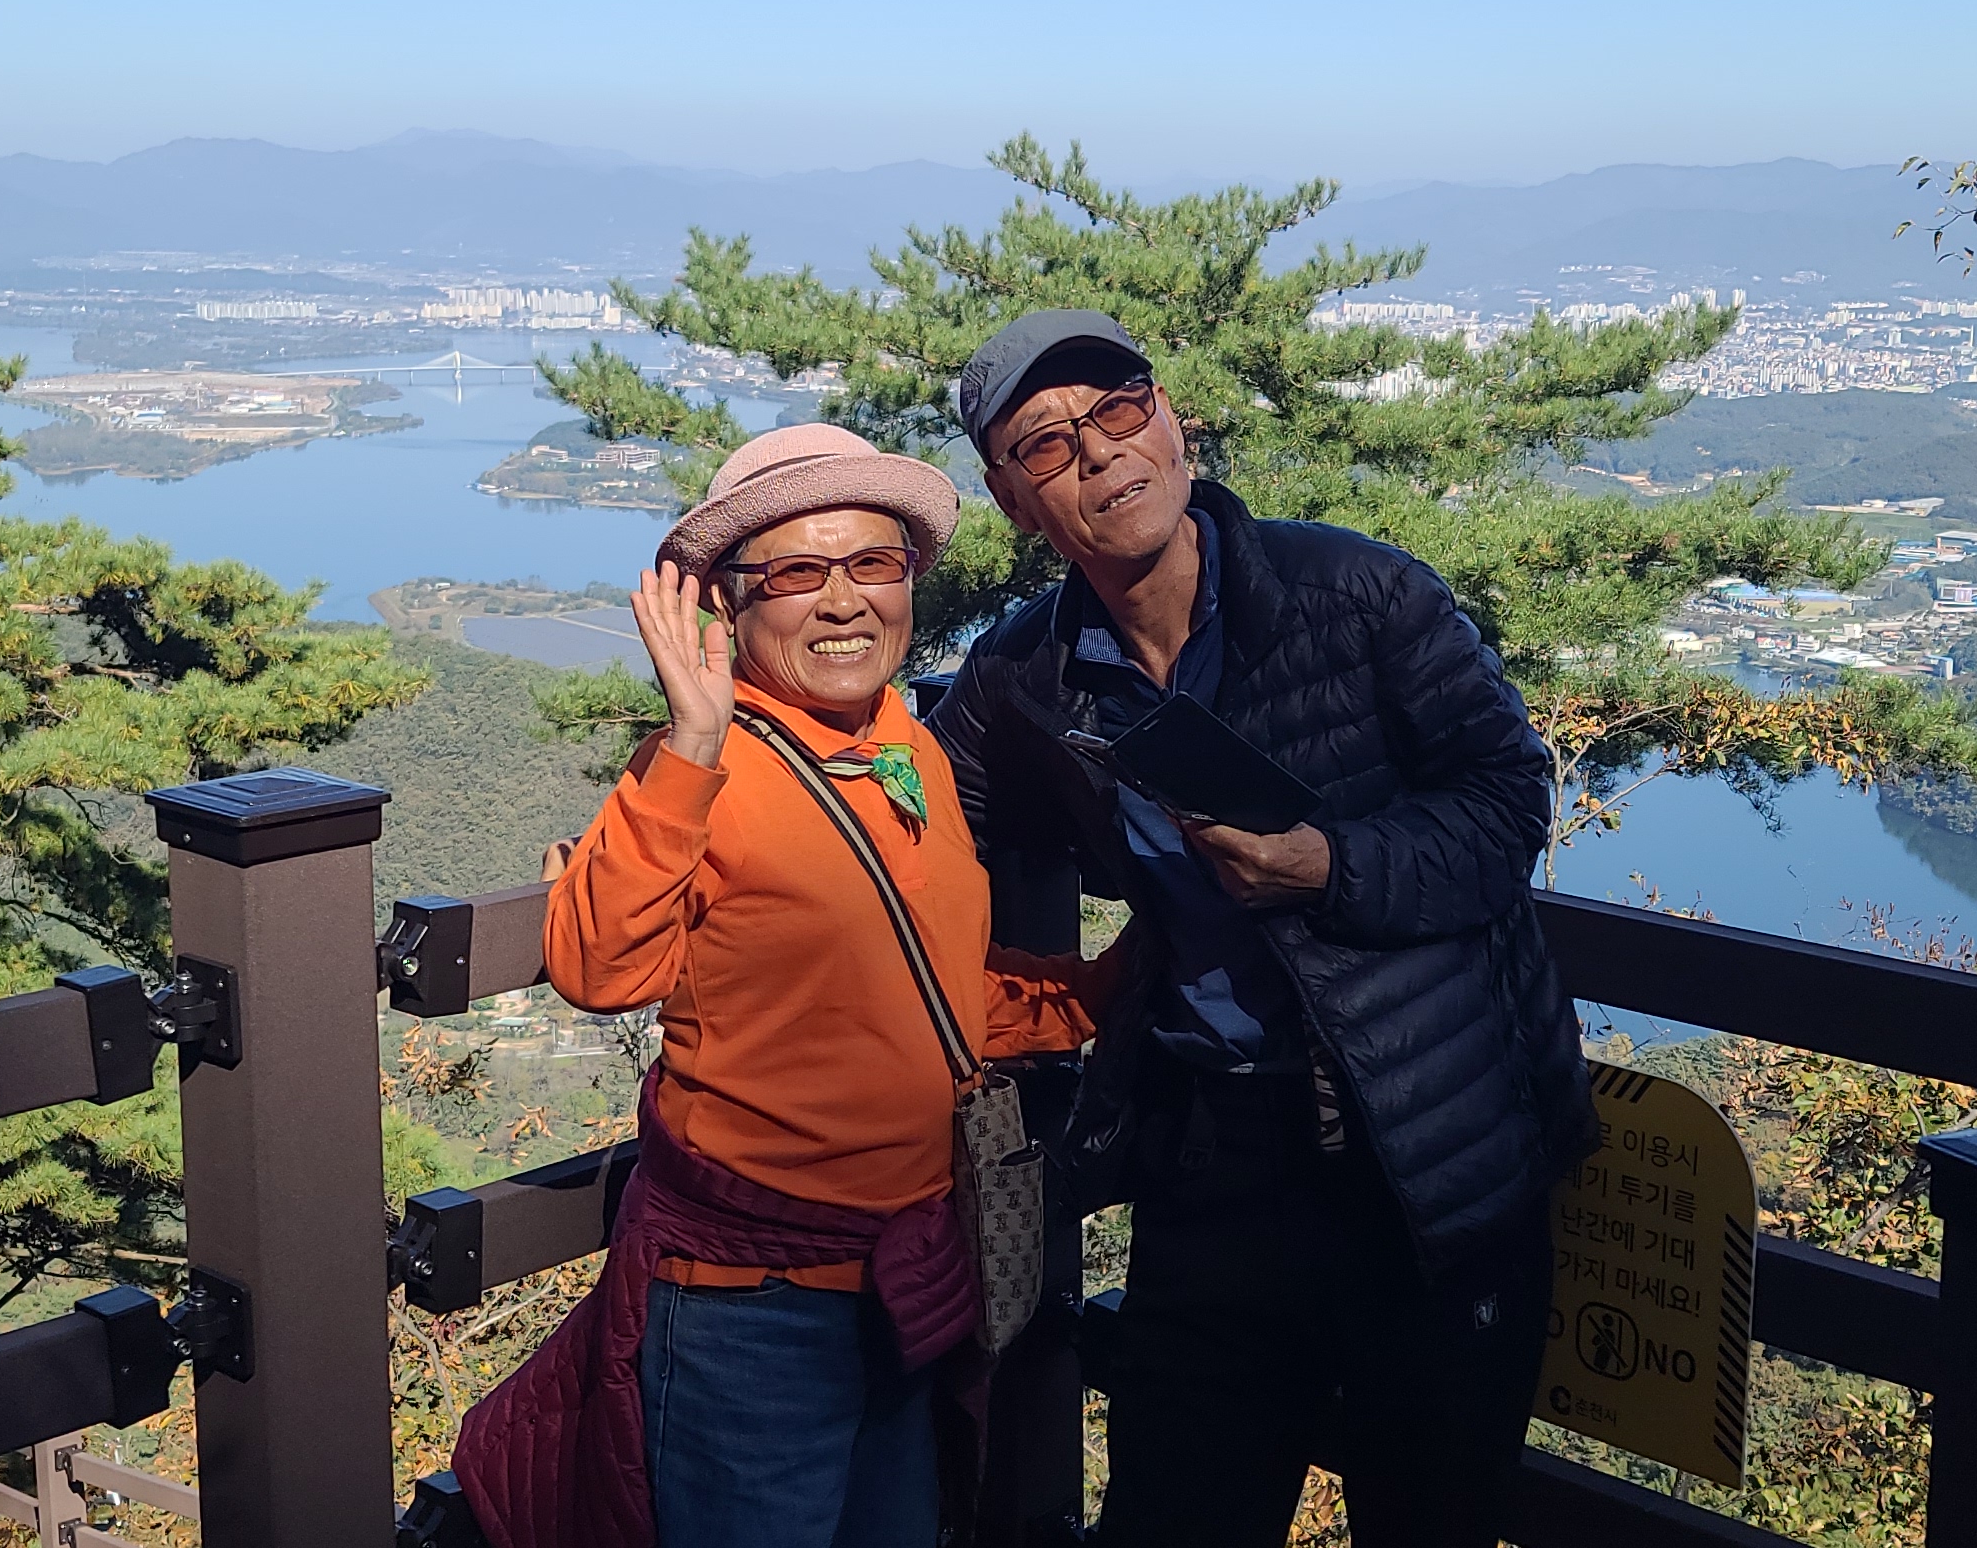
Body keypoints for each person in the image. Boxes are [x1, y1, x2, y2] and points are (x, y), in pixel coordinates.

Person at [925, 309, 1593, 1548]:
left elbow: (1507, 807)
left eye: (1119, 409)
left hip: (1429, 1163)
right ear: (1014, 502)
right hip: (1212, 1156)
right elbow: (903, 814)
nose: (1101, 452)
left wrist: (1325, 867)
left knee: (1428, 1520)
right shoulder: (1027, 675)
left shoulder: (1361, 595)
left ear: (1173, 420)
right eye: (1047, 444)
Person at [456, 423, 1116, 1548]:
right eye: (797, 573)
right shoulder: (702, 772)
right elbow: (601, 970)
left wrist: (1101, 990)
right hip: (748, 1305)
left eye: (873, 563)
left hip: (904, 1278)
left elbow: (928, 994)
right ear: (731, 603)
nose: (844, 600)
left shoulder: (906, 746)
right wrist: (690, 740)